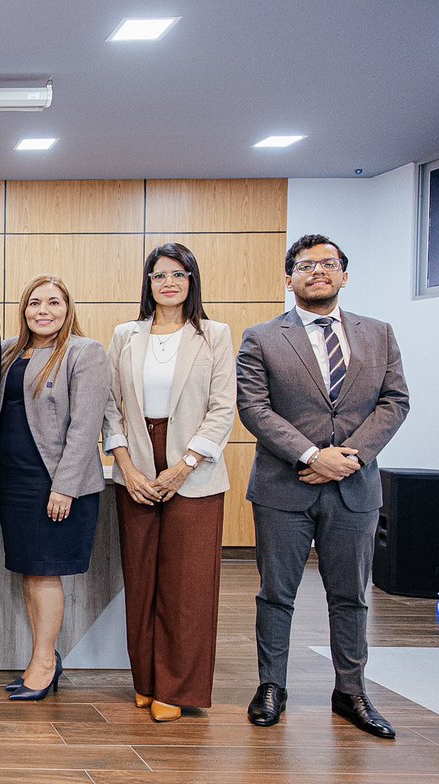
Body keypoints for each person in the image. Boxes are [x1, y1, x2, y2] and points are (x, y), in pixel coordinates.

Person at [238, 234, 408, 738]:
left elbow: (395, 401)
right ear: (288, 278)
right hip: (283, 487)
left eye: (328, 264)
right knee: (275, 594)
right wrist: (313, 455)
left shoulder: (378, 334)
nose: (317, 271)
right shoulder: (262, 337)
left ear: (344, 275)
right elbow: (254, 407)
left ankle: (351, 691)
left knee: (351, 596)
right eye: (305, 265)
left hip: (355, 488)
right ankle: (272, 686)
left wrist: (348, 458)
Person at [103, 243, 235, 722]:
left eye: (179, 274)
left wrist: (183, 467)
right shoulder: (126, 335)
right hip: (136, 467)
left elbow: (223, 408)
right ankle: (145, 681)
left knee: (188, 586)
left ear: (191, 281)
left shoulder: (215, 335)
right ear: (149, 283)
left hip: (194, 470)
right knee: (141, 580)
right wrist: (127, 468)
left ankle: (177, 689)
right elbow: (110, 406)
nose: (169, 283)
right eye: (160, 275)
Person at [0, 276, 109, 701]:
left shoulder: (84, 352)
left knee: (45, 572)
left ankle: (44, 662)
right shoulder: (7, 351)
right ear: (24, 310)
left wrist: (65, 488)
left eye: (54, 302)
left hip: (55, 483)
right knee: (30, 571)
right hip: (14, 480)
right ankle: (40, 658)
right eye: (35, 303)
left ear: (68, 308)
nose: (43, 311)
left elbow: (85, 427)